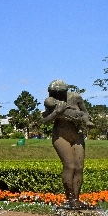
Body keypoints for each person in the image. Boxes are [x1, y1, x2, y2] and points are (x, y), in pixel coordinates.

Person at [42, 80, 92, 208]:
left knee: (79, 167)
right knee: (70, 166)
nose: (55, 95)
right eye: (53, 93)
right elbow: (44, 121)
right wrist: (56, 113)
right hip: (61, 135)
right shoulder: (51, 102)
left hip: (77, 135)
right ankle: (70, 199)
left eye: (58, 93)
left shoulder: (75, 98)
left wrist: (86, 119)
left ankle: (76, 199)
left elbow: (85, 112)